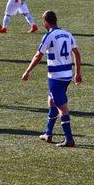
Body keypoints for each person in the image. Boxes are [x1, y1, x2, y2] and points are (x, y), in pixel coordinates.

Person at [22, 10, 82, 147]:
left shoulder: (49, 36)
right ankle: (48, 133)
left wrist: (27, 71)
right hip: (67, 75)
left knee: (62, 108)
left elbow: (38, 56)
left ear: (45, 22)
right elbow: (77, 54)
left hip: (56, 78)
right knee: (51, 101)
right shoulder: (68, 34)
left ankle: (69, 139)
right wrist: (78, 73)